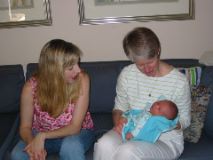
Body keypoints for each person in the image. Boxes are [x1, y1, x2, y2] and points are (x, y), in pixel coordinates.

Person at [94, 27, 191, 160]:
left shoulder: (179, 81)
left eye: (150, 62)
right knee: (103, 145)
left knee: (128, 151)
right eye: (140, 65)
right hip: (130, 129)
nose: (147, 69)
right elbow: (119, 108)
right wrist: (121, 125)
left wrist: (166, 122)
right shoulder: (127, 74)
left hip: (165, 141)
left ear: (158, 51)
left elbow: (185, 120)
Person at [11, 39, 95, 160]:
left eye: (78, 63)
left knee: (71, 147)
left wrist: (43, 136)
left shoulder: (82, 79)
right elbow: (25, 127)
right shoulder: (30, 87)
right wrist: (33, 144)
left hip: (77, 133)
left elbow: (75, 127)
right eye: (71, 67)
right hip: (40, 134)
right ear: (54, 70)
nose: (78, 70)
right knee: (18, 155)